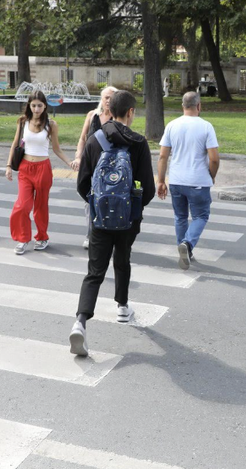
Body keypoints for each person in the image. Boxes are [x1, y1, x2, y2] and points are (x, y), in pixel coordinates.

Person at [69, 90, 156, 356]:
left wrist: (97, 206)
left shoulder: (95, 140)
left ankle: (80, 322)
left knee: (94, 271)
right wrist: (133, 209)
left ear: (109, 109)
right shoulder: (139, 143)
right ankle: (122, 306)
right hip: (127, 218)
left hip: (100, 217)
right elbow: (147, 188)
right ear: (131, 112)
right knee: (123, 259)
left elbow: (83, 184)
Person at [6, 90, 74, 255]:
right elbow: (15, 144)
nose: (36, 109)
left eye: (40, 106)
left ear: (45, 106)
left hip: (43, 169)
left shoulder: (51, 125)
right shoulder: (23, 122)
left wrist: (69, 162)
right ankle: (23, 239)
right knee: (22, 206)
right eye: (34, 105)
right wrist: (9, 166)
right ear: (29, 105)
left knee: (41, 207)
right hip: (25, 168)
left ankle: (42, 237)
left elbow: (57, 149)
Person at [157, 91, 220, 270]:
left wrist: (161, 181)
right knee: (201, 215)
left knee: (180, 217)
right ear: (199, 106)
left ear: (182, 106)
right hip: (198, 180)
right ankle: (187, 244)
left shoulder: (172, 125)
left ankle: (184, 250)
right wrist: (212, 175)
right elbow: (214, 158)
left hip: (176, 180)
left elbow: (163, 156)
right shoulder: (206, 126)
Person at [71, 86, 118, 250]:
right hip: (90, 166)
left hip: (110, 169)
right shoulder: (92, 116)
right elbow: (82, 139)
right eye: (106, 97)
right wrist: (78, 157)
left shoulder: (118, 118)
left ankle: (108, 234)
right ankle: (91, 235)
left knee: (109, 201)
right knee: (89, 201)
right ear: (101, 98)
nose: (108, 101)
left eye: (111, 98)